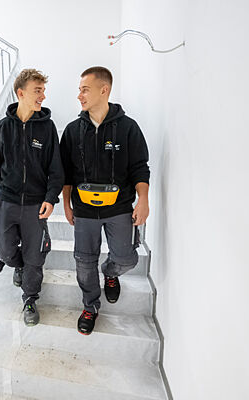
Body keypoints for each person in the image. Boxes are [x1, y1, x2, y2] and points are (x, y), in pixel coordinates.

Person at [60, 66, 150, 335]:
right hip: (85, 210)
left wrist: (143, 199)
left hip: (119, 207)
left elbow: (140, 167)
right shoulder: (73, 130)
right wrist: (66, 203)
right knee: (83, 262)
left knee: (127, 259)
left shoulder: (128, 128)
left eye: (84, 89)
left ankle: (110, 272)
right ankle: (90, 305)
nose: (79, 95)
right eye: (79, 90)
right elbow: (65, 171)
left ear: (104, 90)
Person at [0, 68, 64, 326]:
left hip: (35, 204)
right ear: (21, 93)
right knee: (5, 251)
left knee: (35, 256)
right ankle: (18, 266)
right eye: (37, 91)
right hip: (6, 201)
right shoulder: (3, 128)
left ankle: (30, 299)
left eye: (43, 90)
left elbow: (56, 169)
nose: (42, 96)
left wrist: (51, 198)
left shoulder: (47, 128)